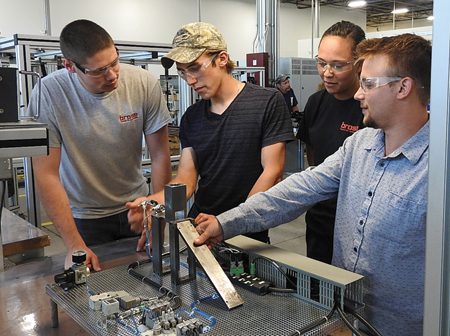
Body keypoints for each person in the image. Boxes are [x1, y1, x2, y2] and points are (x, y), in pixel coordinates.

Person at [193, 33, 431, 336]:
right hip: (344, 318)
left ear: (403, 87)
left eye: (369, 84)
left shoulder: (437, 168)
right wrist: (225, 223)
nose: (359, 94)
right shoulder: (358, 145)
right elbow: (297, 191)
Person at [127, 22, 294, 245]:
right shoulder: (192, 117)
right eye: (183, 72)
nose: (190, 80)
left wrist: (229, 222)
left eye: (195, 68)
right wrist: (152, 202)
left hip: (246, 231)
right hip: (201, 229)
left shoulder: (267, 101)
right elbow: (186, 180)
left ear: (222, 59)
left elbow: (272, 171)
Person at [30, 19, 172, 271]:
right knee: (93, 292)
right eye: (97, 71)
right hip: (84, 218)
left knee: (149, 280)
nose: (112, 75)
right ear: (70, 66)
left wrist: (156, 213)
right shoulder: (48, 93)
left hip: (137, 208)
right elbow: (46, 174)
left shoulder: (143, 83)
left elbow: (161, 154)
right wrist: (74, 242)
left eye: (114, 62)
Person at [298, 21, 366, 264]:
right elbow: (312, 154)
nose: (327, 72)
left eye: (338, 65)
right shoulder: (316, 103)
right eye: (322, 63)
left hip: (358, 222)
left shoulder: (370, 108)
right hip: (320, 218)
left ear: (359, 63)